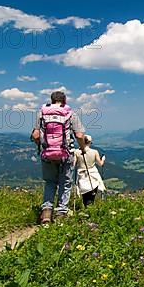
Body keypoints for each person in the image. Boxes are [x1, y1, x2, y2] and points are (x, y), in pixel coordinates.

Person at [31, 91, 86, 224]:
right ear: (64, 101)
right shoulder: (70, 113)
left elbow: (36, 135)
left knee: (50, 182)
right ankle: (61, 213)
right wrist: (83, 148)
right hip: (66, 154)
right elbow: (79, 135)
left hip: (48, 153)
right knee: (65, 183)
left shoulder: (42, 113)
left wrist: (42, 146)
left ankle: (46, 213)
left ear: (51, 100)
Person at [73, 134, 106, 207]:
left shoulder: (76, 152)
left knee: (85, 196)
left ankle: (86, 208)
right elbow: (100, 164)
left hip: (82, 176)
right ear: (90, 142)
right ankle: (89, 210)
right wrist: (103, 159)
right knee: (92, 196)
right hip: (93, 176)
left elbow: (73, 165)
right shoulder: (94, 152)